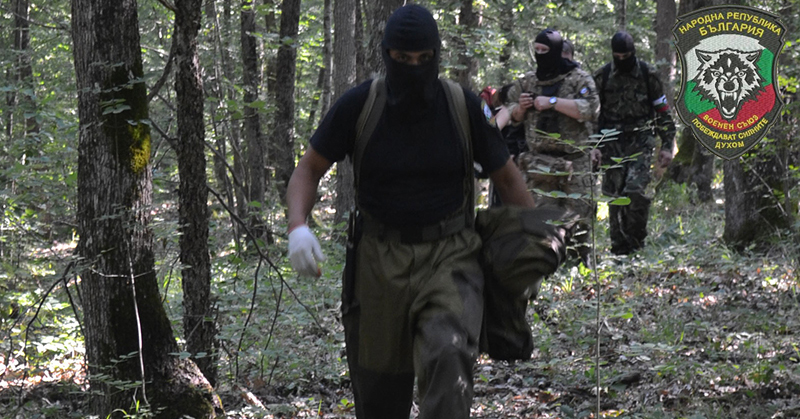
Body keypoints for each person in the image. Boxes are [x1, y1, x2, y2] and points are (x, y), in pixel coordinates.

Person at [285, 5, 534, 419]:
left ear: (437, 56)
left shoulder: (463, 108)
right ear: (386, 55)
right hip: (377, 262)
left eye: (424, 59)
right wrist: (297, 226)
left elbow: (507, 178)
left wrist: (528, 247)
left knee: (449, 355)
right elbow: (308, 170)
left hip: (451, 254)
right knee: (380, 392)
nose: (413, 68)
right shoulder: (359, 106)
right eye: (402, 59)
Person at [505, 28, 600, 266]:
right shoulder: (528, 81)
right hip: (539, 164)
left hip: (575, 164)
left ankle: (580, 275)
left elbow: (592, 109)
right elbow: (510, 114)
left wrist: (553, 102)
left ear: (556, 52)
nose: (539, 55)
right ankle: (548, 275)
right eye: (536, 51)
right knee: (541, 227)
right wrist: (521, 108)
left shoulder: (579, 79)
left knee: (579, 225)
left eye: (544, 51)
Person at [592, 31, 676, 255]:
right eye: (617, 56)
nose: (622, 60)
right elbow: (593, 116)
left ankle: (636, 243)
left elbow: (662, 111)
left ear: (633, 53)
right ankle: (619, 248)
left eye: (626, 56)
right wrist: (595, 146)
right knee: (615, 195)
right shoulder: (603, 76)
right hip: (611, 141)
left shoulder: (648, 75)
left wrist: (667, 145)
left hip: (641, 140)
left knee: (636, 191)